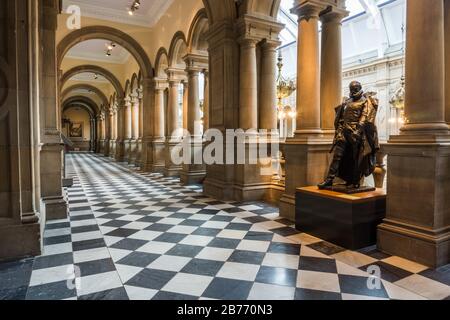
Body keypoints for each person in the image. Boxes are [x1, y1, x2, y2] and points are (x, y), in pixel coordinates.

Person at [318, 81, 380, 190]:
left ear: (360, 88)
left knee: (356, 158)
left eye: (355, 88)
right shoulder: (347, 101)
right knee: (337, 156)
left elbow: (365, 117)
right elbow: (341, 117)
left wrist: (358, 131)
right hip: (344, 132)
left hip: (356, 133)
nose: (353, 91)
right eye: (351, 89)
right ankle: (329, 179)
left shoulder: (366, 101)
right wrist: (340, 129)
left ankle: (355, 181)